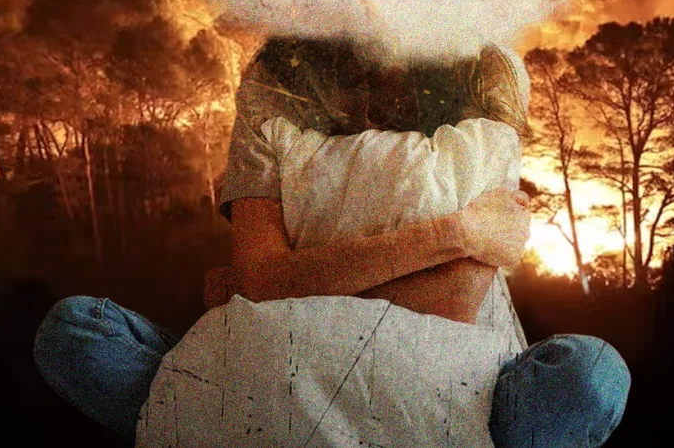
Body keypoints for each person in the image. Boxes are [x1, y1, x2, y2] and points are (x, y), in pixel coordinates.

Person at [33, 36, 630, 447]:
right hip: (275, 352)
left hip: (412, 366)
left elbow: (450, 308)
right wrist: (454, 234)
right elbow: (265, 280)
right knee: (76, 334)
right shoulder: (276, 78)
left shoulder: (487, 69)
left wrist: (277, 285)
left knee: (590, 378)